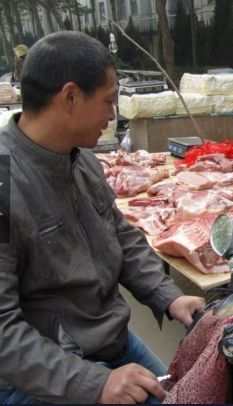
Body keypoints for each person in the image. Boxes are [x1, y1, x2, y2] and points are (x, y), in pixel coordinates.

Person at [0, 31, 204, 404]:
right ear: (71, 97)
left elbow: (122, 236)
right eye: (109, 101)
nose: (114, 114)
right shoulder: (5, 183)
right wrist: (94, 383)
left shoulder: (81, 160)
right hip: (44, 373)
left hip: (110, 341)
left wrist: (169, 297)